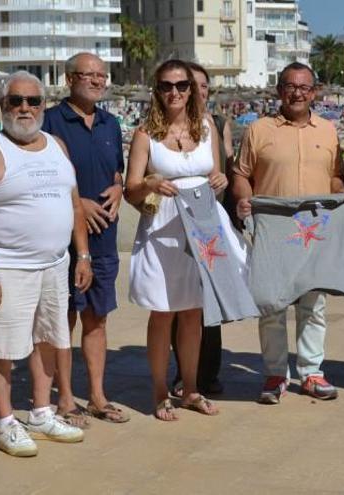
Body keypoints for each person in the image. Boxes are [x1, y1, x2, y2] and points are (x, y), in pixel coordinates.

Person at [0, 71, 92, 457]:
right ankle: (4, 423)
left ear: (43, 105)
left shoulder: (57, 145)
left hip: (54, 264)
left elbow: (74, 205)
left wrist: (82, 255)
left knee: (49, 340)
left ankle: (40, 411)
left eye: (33, 101)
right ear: (2, 106)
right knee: (3, 349)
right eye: (15, 101)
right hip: (7, 267)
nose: (24, 108)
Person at [232, 62, 344, 404]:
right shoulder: (258, 129)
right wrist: (243, 198)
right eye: (290, 86)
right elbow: (241, 174)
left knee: (314, 304)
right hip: (272, 231)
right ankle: (274, 374)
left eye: (304, 87)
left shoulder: (328, 130)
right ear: (279, 90)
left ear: (314, 92)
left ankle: (312, 372)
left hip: (315, 230)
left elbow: (335, 177)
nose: (297, 93)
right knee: (272, 304)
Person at [124, 59, 231, 421]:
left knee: (193, 313)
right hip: (162, 230)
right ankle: (158, 391)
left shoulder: (207, 128)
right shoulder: (144, 134)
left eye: (182, 85)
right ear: (157, 90)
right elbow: (130, 190)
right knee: (162, 312)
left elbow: (216, 174)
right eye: (167, 86)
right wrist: (149, 184)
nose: (175, 92)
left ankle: (190, 388)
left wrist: (221, 181)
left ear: (191, 89)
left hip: (201, 228)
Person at [42, 52, 129, 427]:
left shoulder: (111, 123)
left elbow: (118, 173)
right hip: (63, 240)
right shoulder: (49, 121)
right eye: (87, 75)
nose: (95, 81)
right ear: (69, 79)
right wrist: (80, 203)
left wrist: (119, 189)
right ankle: (63, 398)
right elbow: (41, 179)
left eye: (101, 75)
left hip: (104, 241)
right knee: (63, 319)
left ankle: (96, 395)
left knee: (97, 319)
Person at [169, 61, 235, 398]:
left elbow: (226, 174)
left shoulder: (218, 123)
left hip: (211, 223)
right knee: (182, 304)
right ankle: (184, 373)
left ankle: (208, 373)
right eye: (193, 85)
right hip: (178, 225)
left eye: (204, 86)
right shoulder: (165, 127)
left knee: (211, 303)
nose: (199, 91)